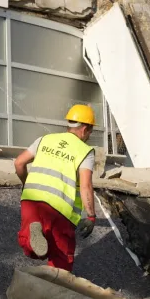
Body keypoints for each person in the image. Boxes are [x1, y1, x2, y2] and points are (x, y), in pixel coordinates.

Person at [14, 104, 99, 272]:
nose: (89, 136)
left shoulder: (44, 139)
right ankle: (54, 292)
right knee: (61, 261)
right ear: (84, 128)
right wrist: (91, 216)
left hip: (31, 200)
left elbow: (19, 163)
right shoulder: (85, 151)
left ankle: (33, 234)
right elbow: (86, 185)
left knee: (31, 247)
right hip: (59, 209)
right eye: (90, 131)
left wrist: (27, 185)